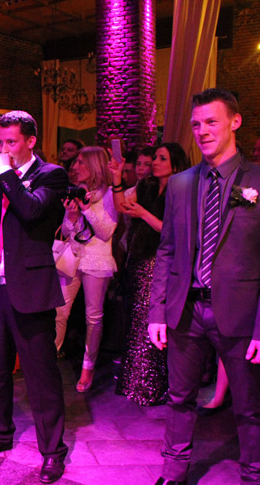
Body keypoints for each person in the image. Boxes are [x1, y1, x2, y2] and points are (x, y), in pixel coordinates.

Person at [135, 88, 260, 485]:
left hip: (241, 315)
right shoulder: (182, 183)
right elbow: (168, 250)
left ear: (235, 122)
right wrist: (158, 311)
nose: (202, 131)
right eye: (196, 124)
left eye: (211, 122)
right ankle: (172, 476)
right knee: (178, 399)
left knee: (250, 408)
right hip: (186, 310)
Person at [0, 110, 69, 483]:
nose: (3, 149)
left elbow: (31, 210)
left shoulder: (51, 175)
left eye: (11, 142)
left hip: (31, 288)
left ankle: (53, 451)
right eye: (0, 142)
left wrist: (6, 173)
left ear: (30, 141)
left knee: (41, 374)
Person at [112, 142, 190, 406]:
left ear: (176, 164)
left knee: (151, 320)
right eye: (155, 157)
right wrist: (116, 178)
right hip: (139, 256)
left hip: (161, 260)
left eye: (161, 158)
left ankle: (151, 384)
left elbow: (173, 231)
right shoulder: (146, 186)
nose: (155, 162)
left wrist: (144, 214)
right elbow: (122, 207)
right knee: (136, 319)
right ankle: (135, 382)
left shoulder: (182, 190)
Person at [54, 146, 117, 392]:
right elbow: (67, 232)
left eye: (81, 162)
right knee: (59, 310)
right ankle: (50, 358)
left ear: (94, 165)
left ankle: (87, 368)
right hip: (73, 258)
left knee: (93, 317)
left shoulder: (110, 193)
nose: (75, 166)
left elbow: (106, 232)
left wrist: (86, 209)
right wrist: (71, 216)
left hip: (97, 261)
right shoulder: (77, 191)